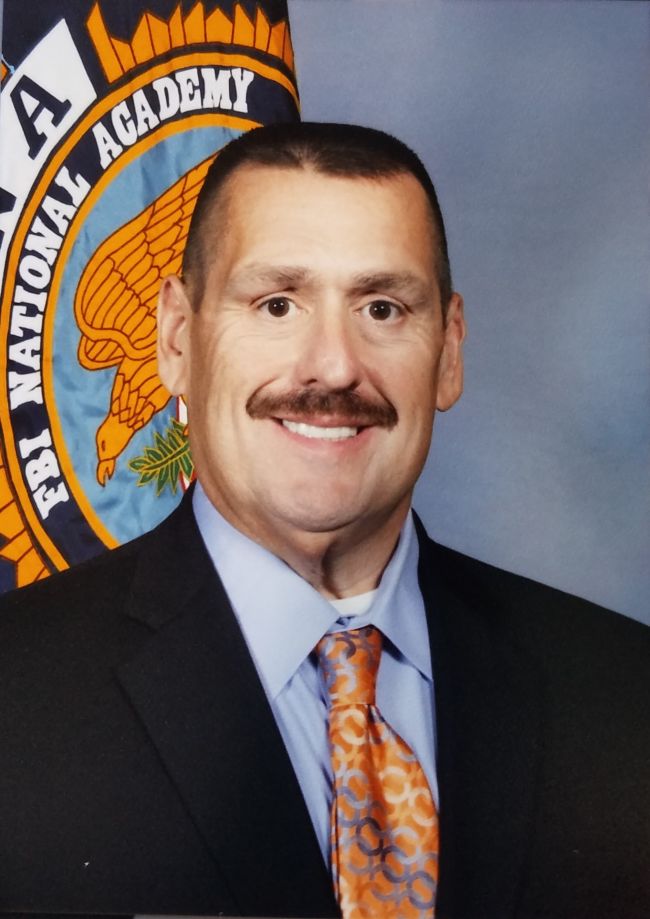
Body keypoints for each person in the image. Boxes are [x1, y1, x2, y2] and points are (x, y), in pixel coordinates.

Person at [0, 123, 648, 919]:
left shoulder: (626, 696)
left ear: (448, 350)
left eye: (382, 306)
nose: (334, 366)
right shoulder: (16, 702)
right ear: (176, 338)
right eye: (276, 303)